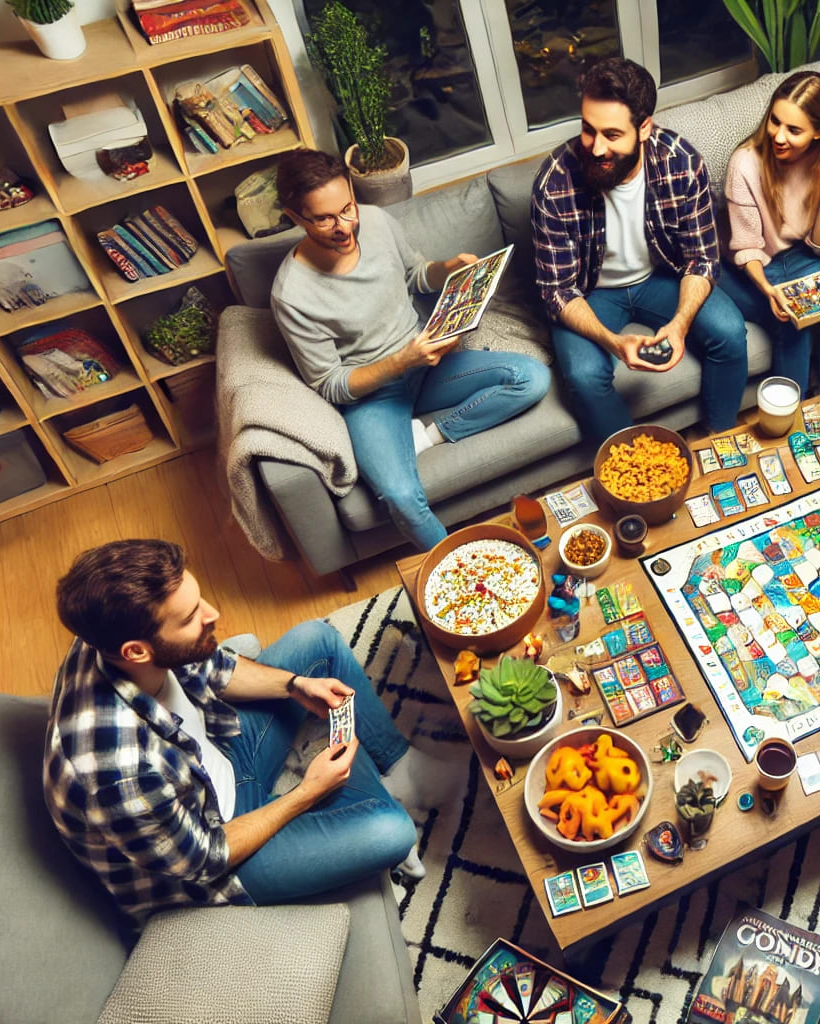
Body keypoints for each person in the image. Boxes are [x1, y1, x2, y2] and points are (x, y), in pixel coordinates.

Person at [44, 539, 462, 927]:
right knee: (391, 832)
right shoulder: (118, 774)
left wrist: (296, 686)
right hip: (215, 858)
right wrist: (307, 793)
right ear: (137, 651)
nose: (213, 614)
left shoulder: (109, 633)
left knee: (317, 640)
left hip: (218, 760)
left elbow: (212, 665)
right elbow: (206, 859)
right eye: (191, 617)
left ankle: (401, 773)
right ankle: (358, 813)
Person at [269, 148, 550, 553]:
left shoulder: (378, 222)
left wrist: (448, 268)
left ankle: (426, 436)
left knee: (531, 377)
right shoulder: (292, 295)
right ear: (295, 217)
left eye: (348, 208)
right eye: (325, 219)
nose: (344, 227)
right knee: (400, 495)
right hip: (373, 395)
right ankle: (463, 573)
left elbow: (416, 275)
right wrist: (401, 360)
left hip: (427, 365)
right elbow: (330, 384)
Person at [531, 56, 750, 442]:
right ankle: (636, 465)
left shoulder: (681, 162)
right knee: (583, 375)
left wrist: (679, 325)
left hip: (659, 279)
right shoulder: (554, 183)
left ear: (644, 127)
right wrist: (614, 343)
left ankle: (720, 440)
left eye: (612, 135)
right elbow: (558, 291)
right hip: (591, 294)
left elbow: (702, 258)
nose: (596, 148)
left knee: (729, 332)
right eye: (588, 130)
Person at [714, 70, 820, 395]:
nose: (778, 136)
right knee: (793, 323)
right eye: (775, 121)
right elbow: (746, 246)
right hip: (743, 263)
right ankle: (792, 417)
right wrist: (768, 290)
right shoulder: (745, 163)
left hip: (799, 254)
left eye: (794, 130)